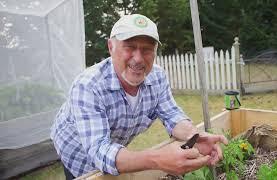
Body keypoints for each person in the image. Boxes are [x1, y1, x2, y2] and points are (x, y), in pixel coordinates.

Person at [51, 14, 228, 179]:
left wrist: (194, 134)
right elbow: (99, 151)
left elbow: (172, 115)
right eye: (130, 47)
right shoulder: (88, 85)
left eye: (147, 49)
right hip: (77, 151)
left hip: (113, 144)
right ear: (111, 47)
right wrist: (158, 159)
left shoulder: (157, 77)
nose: (138, 58)